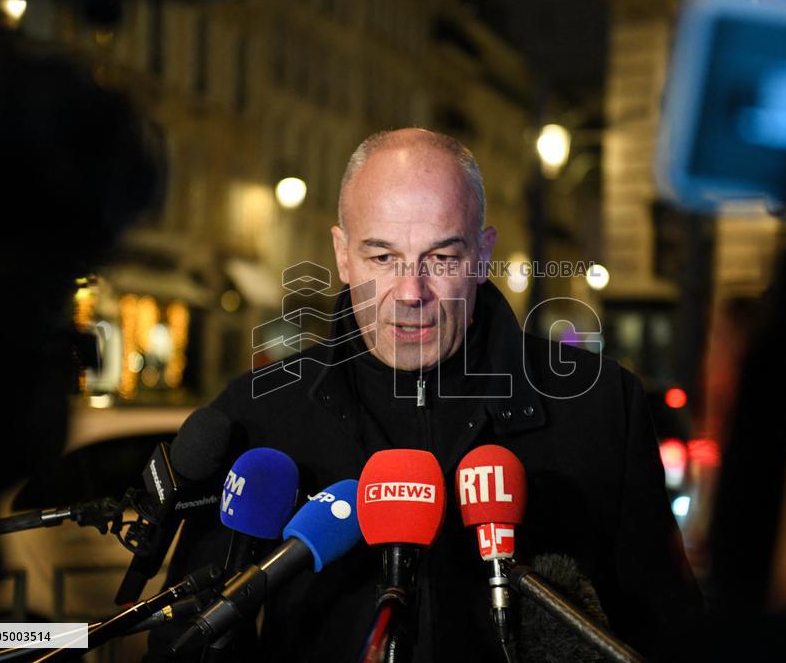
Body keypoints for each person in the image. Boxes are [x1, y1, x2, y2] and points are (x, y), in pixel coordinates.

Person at [148, 128, 701, 661]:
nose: (411, 291)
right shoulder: (257, 413)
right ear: (342, 255)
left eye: (442, 258)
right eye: (382, 257)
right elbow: (185, 641)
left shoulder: (600, 406)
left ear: (484, 254)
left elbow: (669, 632)